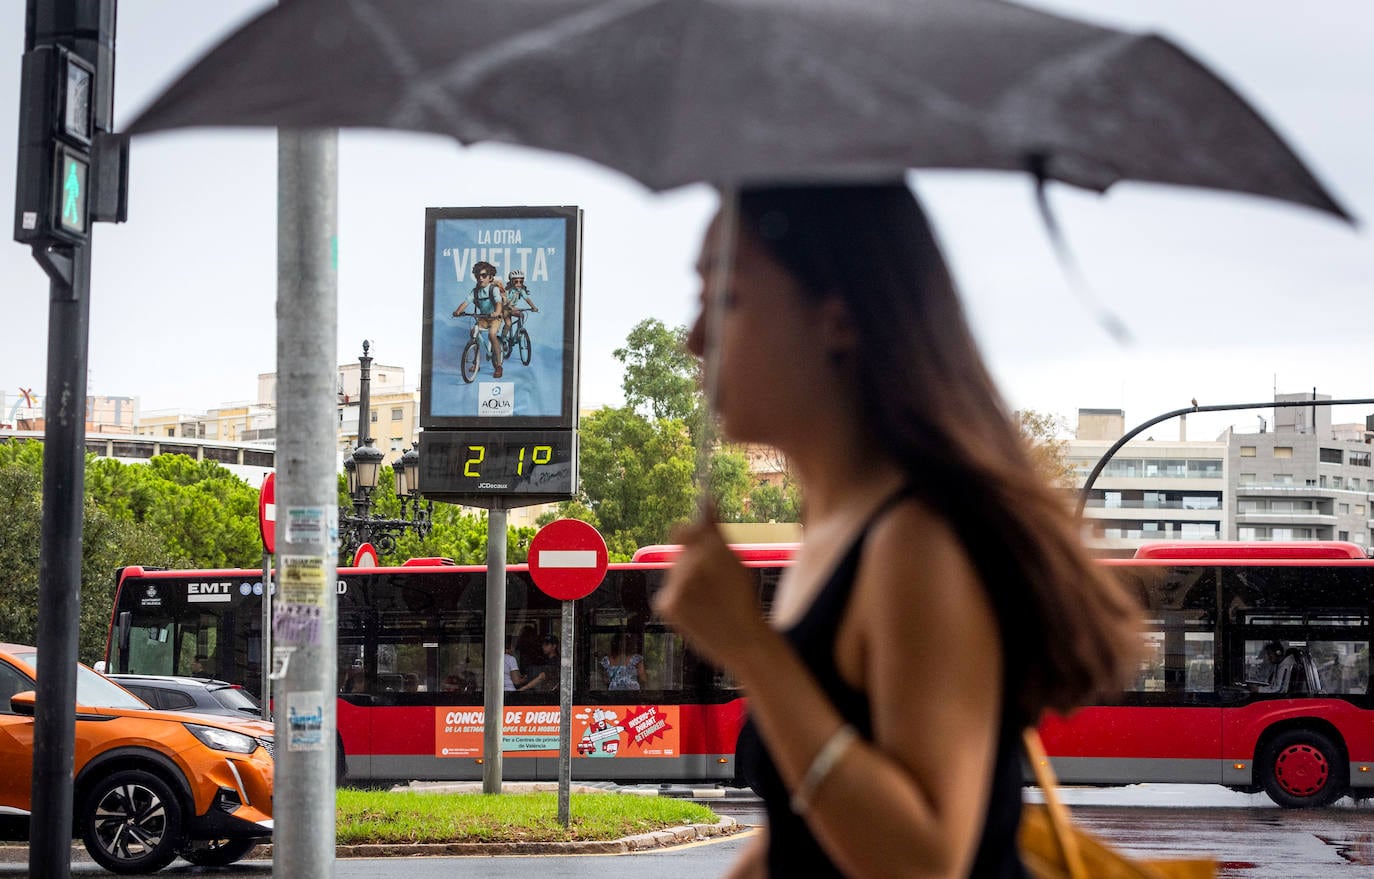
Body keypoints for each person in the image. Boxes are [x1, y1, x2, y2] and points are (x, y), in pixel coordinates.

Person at [653, 183, 1142, 879]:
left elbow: (923, 859)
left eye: (726, 300)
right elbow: (810, 828)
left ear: (839, 319)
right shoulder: (831, 529)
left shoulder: (915, 543)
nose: (695, 340)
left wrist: (750, 647)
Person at [452, 260, 506, 378]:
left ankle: (499, 365)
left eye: (484, 275)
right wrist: (458, 311)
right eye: (478, 276)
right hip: (483, 318)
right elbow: (466, 302)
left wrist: (497, 312)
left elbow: (498, 302)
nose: (480, 278)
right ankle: (476, 363)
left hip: (494, 318)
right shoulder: (475, 291)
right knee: (473, 332)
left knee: (492, 335)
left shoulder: (494, 289)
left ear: (490, 277)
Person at [501, 268, 539, 340]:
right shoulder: (507, 291)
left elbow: (527, 299)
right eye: (516, 282)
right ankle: (503, 337)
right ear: (511, 282)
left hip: (512, 308)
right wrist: (510, 307)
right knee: (508, 324)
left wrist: (533, 307)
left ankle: (518, 332)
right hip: (505, 309)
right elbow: (504, 302)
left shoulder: (520, 290)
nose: (519, 284)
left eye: (521, 282)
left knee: (522, 314)